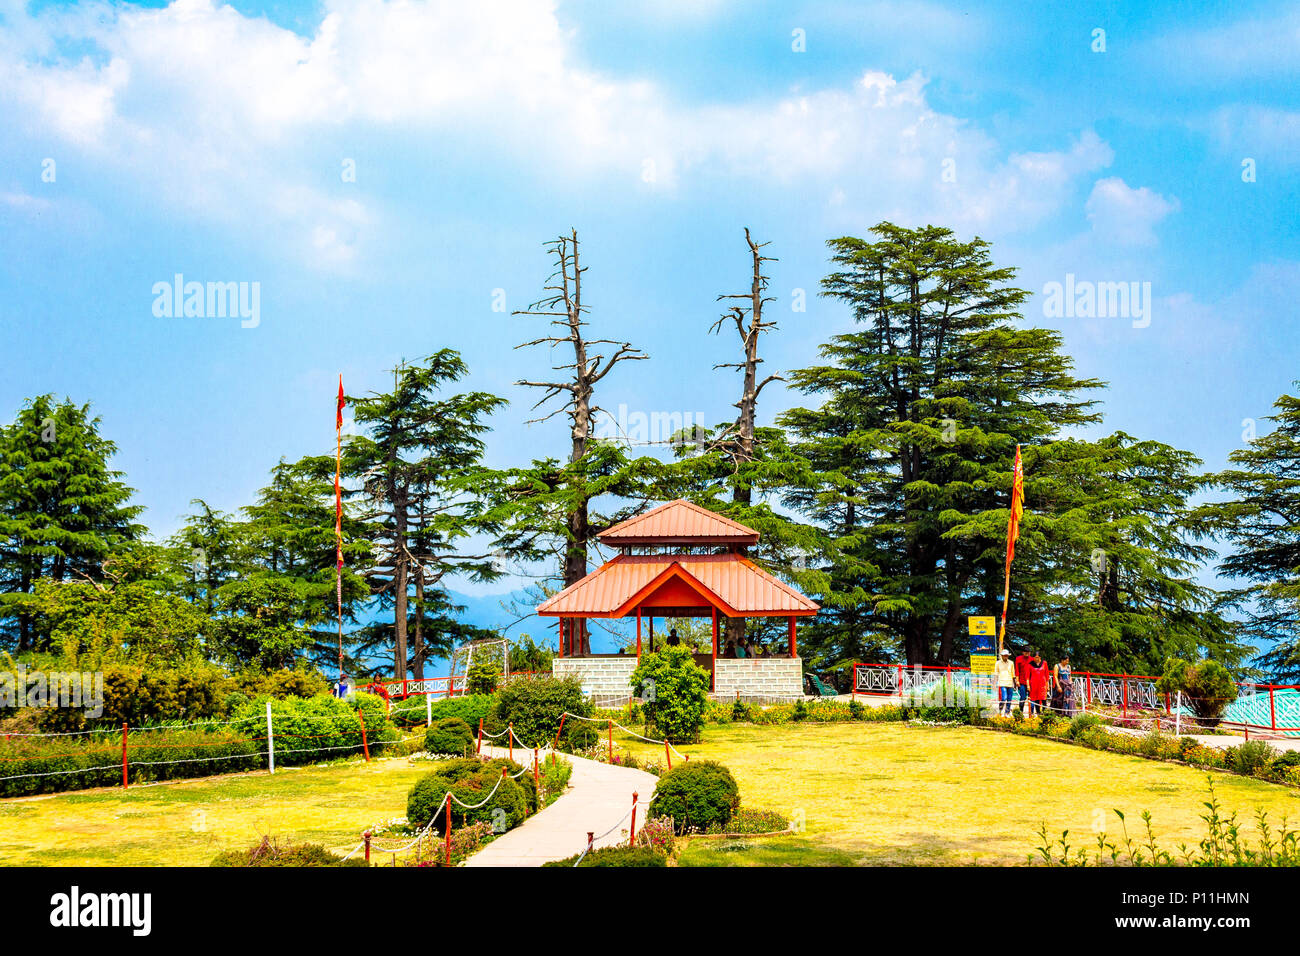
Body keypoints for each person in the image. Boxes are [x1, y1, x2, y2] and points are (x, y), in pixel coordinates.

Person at [1026, 650, 1051, 716]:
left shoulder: (1044, 663)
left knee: (1043, 699)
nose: (1037, 659)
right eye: (1035, 657)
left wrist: (1047, 685)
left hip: (1042, 685)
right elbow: (1027, 677)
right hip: (1034, 685)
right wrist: (1028, 686)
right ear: (1033, 658)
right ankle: (1038, 714)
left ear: (1040, 657)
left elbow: (1047, 675)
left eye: (1038, 657)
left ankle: (1045, 714)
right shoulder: (1030, 664)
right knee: (1036, 700)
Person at [993, 647, 1017, 716]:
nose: (1005, 656)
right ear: (1001, 656)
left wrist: (1014, 683)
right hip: (1002, 682)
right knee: (1004, 698)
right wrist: (994, 684)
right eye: (1004, 655)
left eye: (1006, 655)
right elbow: (996, 674)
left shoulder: (1011, 663)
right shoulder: (997, 663)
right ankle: (1000, 709)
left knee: (1009, 699)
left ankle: (1007, 712)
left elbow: (1013, 674)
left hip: (1010, 683)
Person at [1014, 645, 1032, 714]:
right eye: (1026, 652)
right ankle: (1021, 712)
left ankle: (1031, 712)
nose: (1027, 653)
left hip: (1031, 682)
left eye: (1028, 652)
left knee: (1032, 698)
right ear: (1023, 652)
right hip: (1021, 681)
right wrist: (1017, 680)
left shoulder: (1032, 659)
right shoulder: (1018, 659)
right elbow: (1017, 670)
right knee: (1023, 697)